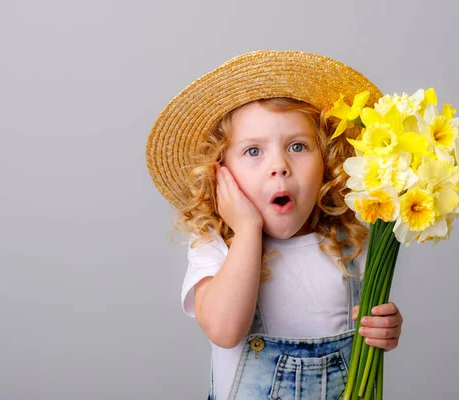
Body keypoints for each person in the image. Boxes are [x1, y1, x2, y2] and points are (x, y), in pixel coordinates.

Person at [146, 50, 404, 400]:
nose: (279, 166)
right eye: (253, 151)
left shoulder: (352, 242)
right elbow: (224, 330)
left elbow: (365, 335)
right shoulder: (216, 245)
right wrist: (247, 230)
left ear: (327, 163)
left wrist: (382, 328)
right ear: (220, 173)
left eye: (298, 146)